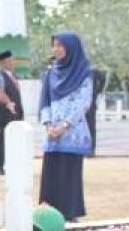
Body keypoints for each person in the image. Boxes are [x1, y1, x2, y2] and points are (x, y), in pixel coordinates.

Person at [38, 33, 94, 221]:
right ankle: (48, 216)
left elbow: (83, 102)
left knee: (69, 175)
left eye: (60, 46)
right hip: (52, 134)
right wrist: (48, 126)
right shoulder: (50, 73)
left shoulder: (84, 73)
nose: (55, 49)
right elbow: (44, 101)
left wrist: (64, 126)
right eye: (54, 45)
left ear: (71, 48)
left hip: (72, 134)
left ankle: (69, 214)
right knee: (51, 176)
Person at [0, 50, 24, 176]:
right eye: (10, 60)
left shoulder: (12, 75)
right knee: (2, 139)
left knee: (14, 139)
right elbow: (0, 93)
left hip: (15, 112)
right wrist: (8, 103)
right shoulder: (0, 76)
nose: (12, 62)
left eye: (12, 60)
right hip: (6, 112)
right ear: (3, 62)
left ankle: (11, 165)